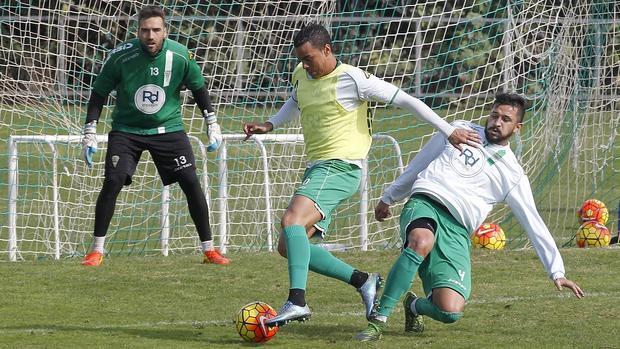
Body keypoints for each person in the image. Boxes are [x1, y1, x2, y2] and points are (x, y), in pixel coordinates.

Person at [242, 23, 481, 327]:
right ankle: (363, 280)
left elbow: (407, 100)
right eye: (300, 59)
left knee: (292, 221)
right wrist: (270, 124)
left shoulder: (354, 79)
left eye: (309, 58)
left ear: (327, 50)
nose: (304, 65)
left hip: (340, 167)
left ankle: (297, 301)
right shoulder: (302, 75)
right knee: (289, 245)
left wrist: (448, 131)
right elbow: (295, 98)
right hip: (318, 168)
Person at [355, 92, 585, 341]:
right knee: (421, 241)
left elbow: (532, 221)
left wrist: (557, 272)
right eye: (494, 115)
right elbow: (419, 164)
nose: (497, 122)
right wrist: (390, 196)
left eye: (505, 119)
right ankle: (378, 320)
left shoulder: (513, 175)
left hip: (457, 230)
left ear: (518, 128)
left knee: (450, 311)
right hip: (425, 203)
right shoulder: (458, 130)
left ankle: (414, 306)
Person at [80, 5, 229, 266]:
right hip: (127, 130)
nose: (151, 36)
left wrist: (212, 123)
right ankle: (96, 251)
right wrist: (90, 131)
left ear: (165, 31)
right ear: (137, 31)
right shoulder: (119, 57)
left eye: (156, 30)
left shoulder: (181, 55)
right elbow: (99, 93)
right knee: (113, 180)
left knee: (190, 181)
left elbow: (199, 88)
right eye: (145, 30)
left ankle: (209, 249)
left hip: (168, 129)